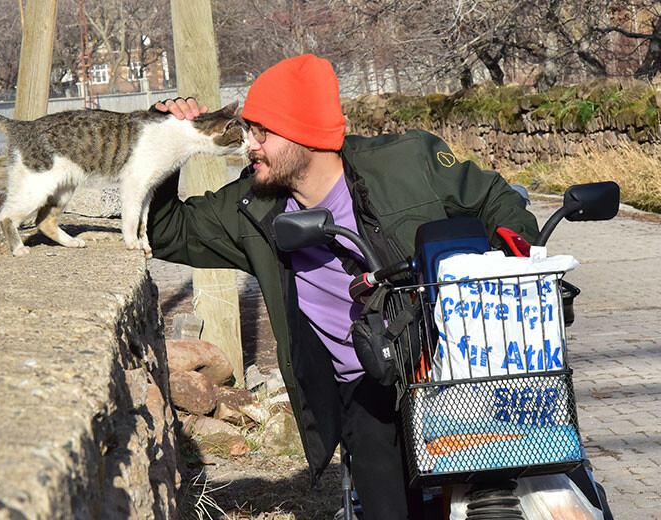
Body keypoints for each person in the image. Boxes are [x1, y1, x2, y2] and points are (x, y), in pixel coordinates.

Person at [149, 55, 538, 519]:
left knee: (505, 489)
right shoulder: (250, 206)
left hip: (448, 363)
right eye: (248, 130)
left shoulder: (406, 163)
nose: (248, 145)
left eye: (262, 132)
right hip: (362, 383)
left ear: (304, 134)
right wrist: (168, 141)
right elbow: (167, 232)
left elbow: (496, 198)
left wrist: (510, 266)